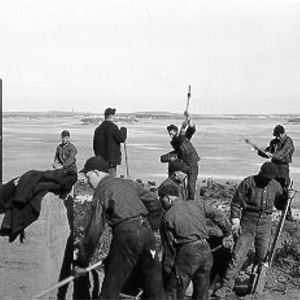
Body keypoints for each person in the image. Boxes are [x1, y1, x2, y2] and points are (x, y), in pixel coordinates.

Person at [73, 156, 164, 300]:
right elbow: (154, 203)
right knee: (154, 285)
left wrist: (82, 263)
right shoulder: (128, 183)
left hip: (127, 234)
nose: (87, 181)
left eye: (88, 176)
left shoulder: (102, 191)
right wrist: (150, 229)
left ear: (96, 172)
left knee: (112, 286)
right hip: (146, 232)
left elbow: (94, 230)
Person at [215, 162, 295, 298]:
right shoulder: (248, 182)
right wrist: (235, 220)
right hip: (248, 221)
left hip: (266, 222)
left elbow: (280, 205)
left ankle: (254, 282)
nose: (267, 180)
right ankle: (226, 287)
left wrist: (288, 197)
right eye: (265, 178)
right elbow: (236, 203)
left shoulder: (275, 185)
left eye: (269, 178)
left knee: (263, 255)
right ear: (260, 173)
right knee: (238, 255)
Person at [159, 184, 233, 300]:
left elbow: (169, 249)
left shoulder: (168, 217)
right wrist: (227, 233)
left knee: (174, 290)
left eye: (161, 198)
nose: (160, 202)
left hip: (188, 253)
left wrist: (167, 271)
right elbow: (218, 214)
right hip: (206, 250)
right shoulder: (196, 204)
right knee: (202, 291)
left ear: (167, 198)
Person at [257, 124, 295, 221]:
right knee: (269, 186)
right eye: (275, 135)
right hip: (273, 167)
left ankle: (287, 214)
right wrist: (261, 151)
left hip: (283, 168)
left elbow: (281, 154)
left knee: (284, 189)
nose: (277, 137)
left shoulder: (288, 142)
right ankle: (267, 209)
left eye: (279, 135)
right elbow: (267, 152)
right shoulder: (273, 142)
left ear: (283, 133)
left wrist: (271, 155)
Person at [161, 113, 200, 200]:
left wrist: (188, 120)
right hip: (186, 164)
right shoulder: (175, 141)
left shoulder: (182, 137)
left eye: (172, 134)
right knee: (171, 164)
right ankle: (171, 186)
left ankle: (191, 202)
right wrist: (168, 158)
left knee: (191, 185)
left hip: (193, 164)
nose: (170, 136)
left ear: (176, 132)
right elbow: (178, 143)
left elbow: (191, 128)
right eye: (169, 134)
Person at [93, 107, 127, 177]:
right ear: (111, 116)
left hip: (100, 160)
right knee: (111, 181)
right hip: (111, 161)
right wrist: (123, 130)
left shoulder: (98, 129)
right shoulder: (113, 127)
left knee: (102, 181)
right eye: (114, 116)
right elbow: (122, 138)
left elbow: (94, 146)